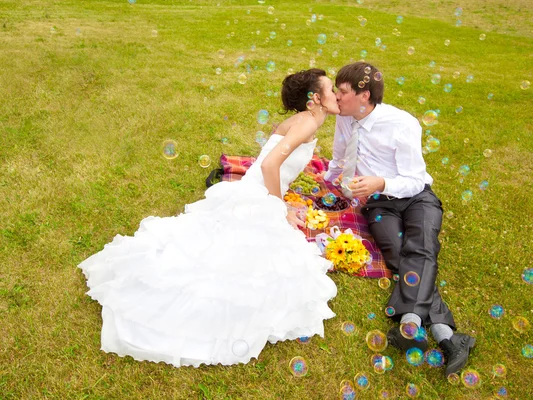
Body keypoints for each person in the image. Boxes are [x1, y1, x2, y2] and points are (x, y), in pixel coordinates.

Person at [78, 69, 339, 367]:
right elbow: (269, 165)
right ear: (315, 99)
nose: (337, 96)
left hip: (256, 192)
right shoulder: (305, 123)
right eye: (331, 90)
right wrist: (280, 208)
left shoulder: (306, 121)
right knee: (247, 266)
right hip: (258, 196)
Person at [323, 62, 475, 377]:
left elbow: (415, 179)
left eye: (343, 92)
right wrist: (332, 183)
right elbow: (339, 158)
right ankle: (448, 338)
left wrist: (381, 182)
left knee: (420, 247)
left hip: (415, 197)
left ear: (363, 95)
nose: (337, 97)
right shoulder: (346, 119)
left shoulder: (401, 123)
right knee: (399, 255)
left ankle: (409, 326)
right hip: (378, 204)